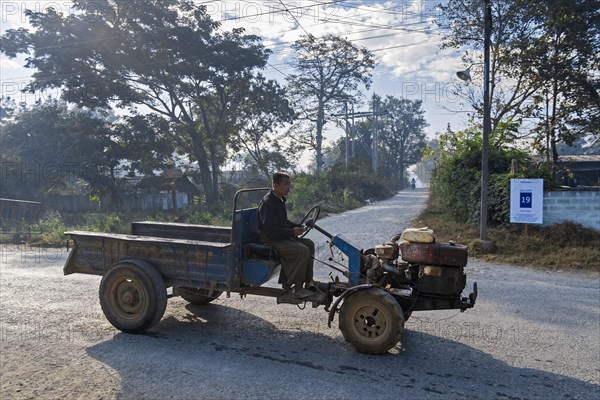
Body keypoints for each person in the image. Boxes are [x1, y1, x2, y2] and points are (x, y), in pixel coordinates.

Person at [258, 172, 315, 299]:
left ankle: (308, 281)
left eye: (289, 184)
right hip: (271, 240)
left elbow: (284, 222)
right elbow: (270, 230)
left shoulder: (279, 200)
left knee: (309, 244)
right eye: (285, 184)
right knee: (301, 250)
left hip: (280, 236)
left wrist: (298, 227)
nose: (288, 187)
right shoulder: (268, 203)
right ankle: (295, 287)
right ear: (275, 185)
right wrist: (291, 232)